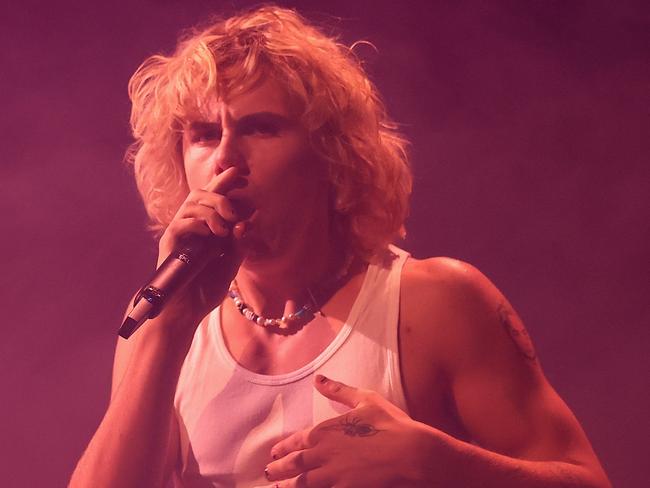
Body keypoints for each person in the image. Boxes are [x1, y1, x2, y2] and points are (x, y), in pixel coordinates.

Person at [70, 5, 611, 488]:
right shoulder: (161, 317)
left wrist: (441, 463)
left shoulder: (437, 301)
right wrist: (165, 334)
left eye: (261, 128)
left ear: (332, 154)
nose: (225, 160)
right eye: (205, 134)